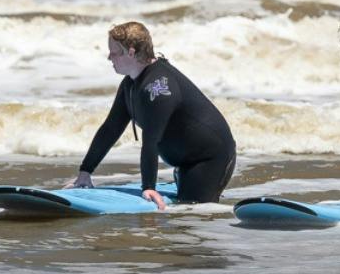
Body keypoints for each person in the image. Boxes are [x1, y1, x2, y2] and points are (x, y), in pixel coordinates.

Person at [69, 22, 236, 210]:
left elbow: (151, 141)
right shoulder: (130, 85)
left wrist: (148, 187)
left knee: (192, 215)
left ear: (130, 52)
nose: (109, 57)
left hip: (209, 159)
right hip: (184, 161)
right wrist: (85, 172)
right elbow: (110, 129)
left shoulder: (159, 88)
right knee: (182, 220)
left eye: (114, 52)